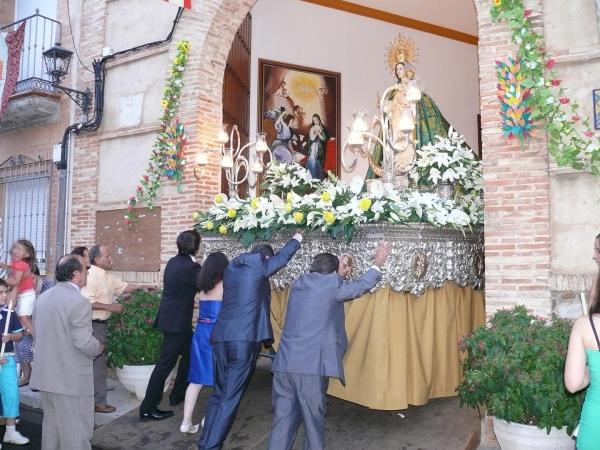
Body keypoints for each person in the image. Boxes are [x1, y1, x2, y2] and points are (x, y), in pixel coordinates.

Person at [267, 241, 390, 450]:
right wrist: (377, 263)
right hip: (310, 369)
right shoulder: (333, 286)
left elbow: (325, 290)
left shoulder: (299, 284)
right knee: (313, 424)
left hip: (284, 366)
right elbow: (360, 286)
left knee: (283, 423)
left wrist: (337, 275)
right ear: (332, 273)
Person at [197, 231, 303, 450]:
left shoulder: (232, 268)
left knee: (219, 394)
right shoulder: (258, 265)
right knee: (229, 398)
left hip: (220, 338)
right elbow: (282, 258)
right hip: (242, 342)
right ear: (265, 258)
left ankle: (205, 442)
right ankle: (211, 447)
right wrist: (298, 238)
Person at [30, 254, 104, 450]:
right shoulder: (79, 302)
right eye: (85, 269)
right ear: (76, 274)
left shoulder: (43, 298)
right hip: (71, 381)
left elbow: (38, 333)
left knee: (52, 432)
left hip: (47, 377)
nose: (87, 273)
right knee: (76, 434)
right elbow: (84, 342)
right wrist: (99, 347)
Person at [139, 230, 202, 421]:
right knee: (165, 365)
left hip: (174, 321)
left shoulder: (174, 262)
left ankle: (177, 395)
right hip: (176, 323)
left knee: (191, 356)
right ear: (196, 246)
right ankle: (147, 408)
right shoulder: (191, 268)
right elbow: (206, 285)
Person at [82, 244, 147, 413]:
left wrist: (142, 287)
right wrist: (111, 307)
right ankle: (98, 402)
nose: (111, 258)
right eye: (107, 255)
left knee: (98, 364)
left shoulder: (106, 276)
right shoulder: (91, 276)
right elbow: (85, 303)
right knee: (98, 365)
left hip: (100, 326)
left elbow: (123, 286)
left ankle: (96, 399)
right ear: (97, 260)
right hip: (93, 326)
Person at [180, 251, 229, 434]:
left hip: (200, 333)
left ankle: (186, 422)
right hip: (217, 335)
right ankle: (208, 419)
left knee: (195, 380)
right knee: (220, 378)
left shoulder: (201, 288)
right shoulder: (225, 286)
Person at [564, 233, 600, 449]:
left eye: (597, 250)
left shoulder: (586, 327)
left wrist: (590, 370)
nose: (594, 256)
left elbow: (573, 383)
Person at [2, 240, 37, 387]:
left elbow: (15, 281)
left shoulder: (22, 265)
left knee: (23, 316)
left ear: (27, 254)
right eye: (14, 248)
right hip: (23, 294)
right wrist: (3, 266)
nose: (15, 250)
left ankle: (34, 334)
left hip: (27, 294)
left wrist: (4, 279)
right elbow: (11, 268)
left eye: (19, 249)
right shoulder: (16, 264)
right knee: (22, 316)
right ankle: (28, 331)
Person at [0, 279, 29, 445]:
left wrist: (10, 337)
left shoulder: (10, 313)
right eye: (1, 293)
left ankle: (10, 432)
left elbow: (19, 335)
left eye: (6, 292)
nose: (5, 296)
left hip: (8, 359)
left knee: (11, 395)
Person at [306, 113, 327, 180]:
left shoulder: (322, 128)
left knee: (318, 162)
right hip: (313, 147)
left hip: (319, 147)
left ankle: (318, 178)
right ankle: (312, 177)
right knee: (312, 161)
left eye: (316, 120)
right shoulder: (312, 128)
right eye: (314, 120)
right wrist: (316, 134)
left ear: (319, 120)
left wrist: (318, 133)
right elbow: (312, 139)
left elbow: (324, 138)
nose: (315, 121)